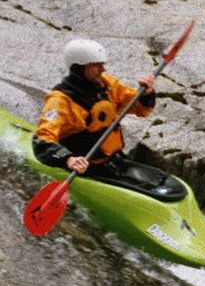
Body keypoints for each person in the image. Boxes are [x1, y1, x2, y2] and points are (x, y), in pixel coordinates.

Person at [32, 38, 186, 200]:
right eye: (96, 65)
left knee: (169, 187)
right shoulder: (60, 101)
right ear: (79, 68)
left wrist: (146, 93)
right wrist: (68, 159)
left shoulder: (107, 85)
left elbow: (141, 110)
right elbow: (41, 142)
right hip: (87, 168)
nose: (103, 69)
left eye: (102, 64)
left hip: (114, 161)